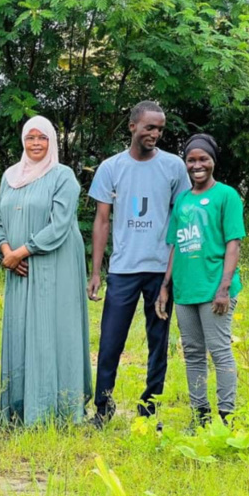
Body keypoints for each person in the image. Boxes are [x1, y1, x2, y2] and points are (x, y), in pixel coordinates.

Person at [87, 101, 191, 428]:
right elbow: (102, 221)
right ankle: (102, 407)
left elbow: (181, 219)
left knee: (158, 344)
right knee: (110, 342)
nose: (155, 134)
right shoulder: (111, 168)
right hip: (122, 271)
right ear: (133, 126)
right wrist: (96, 272)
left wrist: (172, 275)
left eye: (160, 128)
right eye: (149, 127)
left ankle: (149, 410)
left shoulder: (174, 167)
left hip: (161, 272)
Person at [0, 116, 92, 426]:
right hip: (18, 269)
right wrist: (7, 251)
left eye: (43, 138)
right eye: (30, 137)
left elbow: (60, 225)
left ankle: (58, 409)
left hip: (54, 266)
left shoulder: (63, 176)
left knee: (52, 330)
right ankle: (20, 410)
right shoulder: (10, 176)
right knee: (22, 329)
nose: (36, 143)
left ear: (52, 142)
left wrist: (23, 250)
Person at [156, 134, 245, 427]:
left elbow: (233, 244)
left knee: (219, 352)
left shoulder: (226, 196)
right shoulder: (182, 200)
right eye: (191, 160)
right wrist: (165, 287)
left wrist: (223, 288)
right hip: (185, 290)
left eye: (203, 159)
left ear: (213, 162)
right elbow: (175, 246)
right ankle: (200, 415)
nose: (197, 165)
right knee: (193, 353)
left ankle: (226, 416)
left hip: (214, 289)